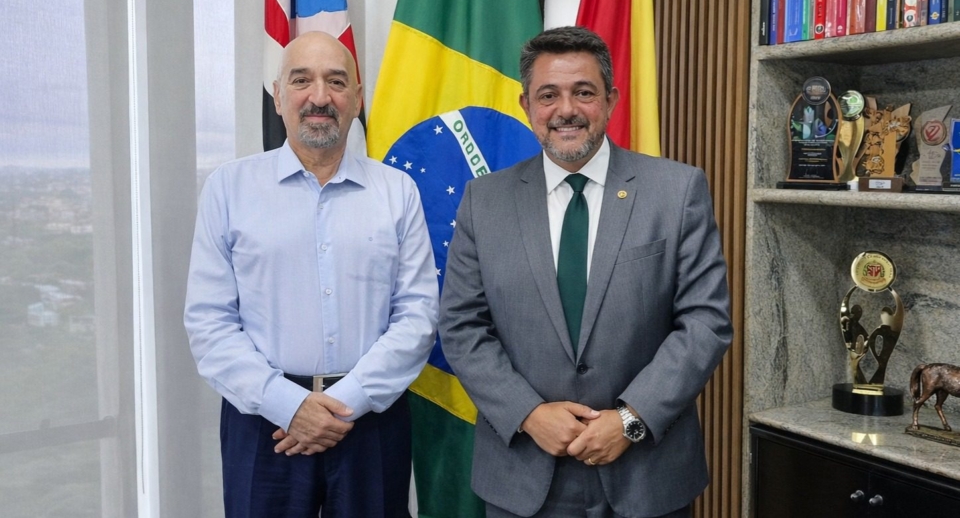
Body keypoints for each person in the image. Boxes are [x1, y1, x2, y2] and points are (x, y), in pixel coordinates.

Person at [438, 26, 733, 518]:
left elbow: (706, 322)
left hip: (646, 473)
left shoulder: (677, 191)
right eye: (548, 95)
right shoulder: (483, 201)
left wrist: (631, 419)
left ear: (611, 100)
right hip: (523, 474)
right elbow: (461, 326)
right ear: (526, 106)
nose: (566, 110)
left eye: (584, 92)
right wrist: (528, 413)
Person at [184, 31, 438, 518]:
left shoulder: (397, 191)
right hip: (265, 424)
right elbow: (209, 323)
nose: (319, 97)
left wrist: (344, 403)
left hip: (370, 420)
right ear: (278, 96)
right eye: (301, 80)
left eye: (336, 82)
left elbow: (418, 316)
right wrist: (290, 406)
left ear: (356, 100)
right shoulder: (228, 189)